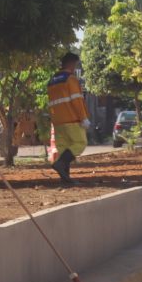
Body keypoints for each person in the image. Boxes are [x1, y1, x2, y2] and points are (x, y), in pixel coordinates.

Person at [47, 52, 90, 185]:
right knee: (80, 143)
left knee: (63, 149)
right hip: (72, 119)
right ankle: (60, 165)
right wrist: (83, 118)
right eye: (76, 65)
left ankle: (65, 179)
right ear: (71, 64)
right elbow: (77, 100)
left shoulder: (52, 81)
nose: (75, 68)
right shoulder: (70, 79)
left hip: (57, 121)